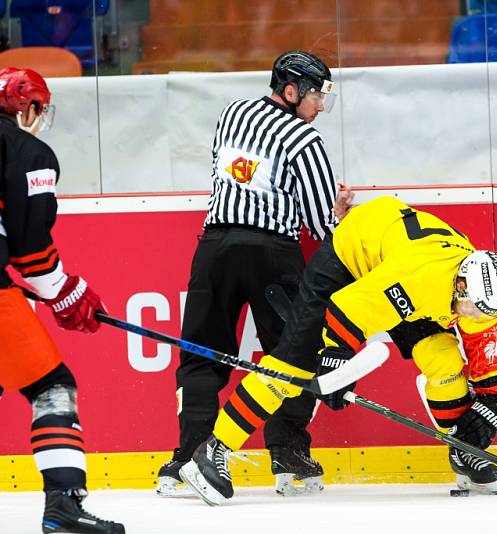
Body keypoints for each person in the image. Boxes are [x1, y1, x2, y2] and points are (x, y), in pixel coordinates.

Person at [178, 196, 497, 504]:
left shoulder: (482, 300)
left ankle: (462, 449)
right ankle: (213, 449)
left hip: (397, 265)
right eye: (470, 308)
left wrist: (490, 407)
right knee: (292, 365)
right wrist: (335, 362)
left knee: (445, 360)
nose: (473, 316)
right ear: (460, 284)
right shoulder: (422, 278)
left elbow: (492, 359)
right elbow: (348, 308)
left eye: (480, 312)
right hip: (350, 257)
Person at [156, 50, 354, 498]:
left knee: (201, 355)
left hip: (214, 250)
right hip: (272, 256)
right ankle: (288, 455)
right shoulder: (306, 142)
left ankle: (185, 461)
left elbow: (231, 175)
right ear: (291, 90)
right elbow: (322, 225)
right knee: (293, 356)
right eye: (317, 96)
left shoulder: (232, 113)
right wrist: (338, 212)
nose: (320, 106)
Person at [0, 68, 125, 532]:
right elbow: (30, 249)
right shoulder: (26, 151)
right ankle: (64, 505)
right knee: (51, 388)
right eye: (38, 108)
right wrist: (64, 292)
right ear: (25, 105)